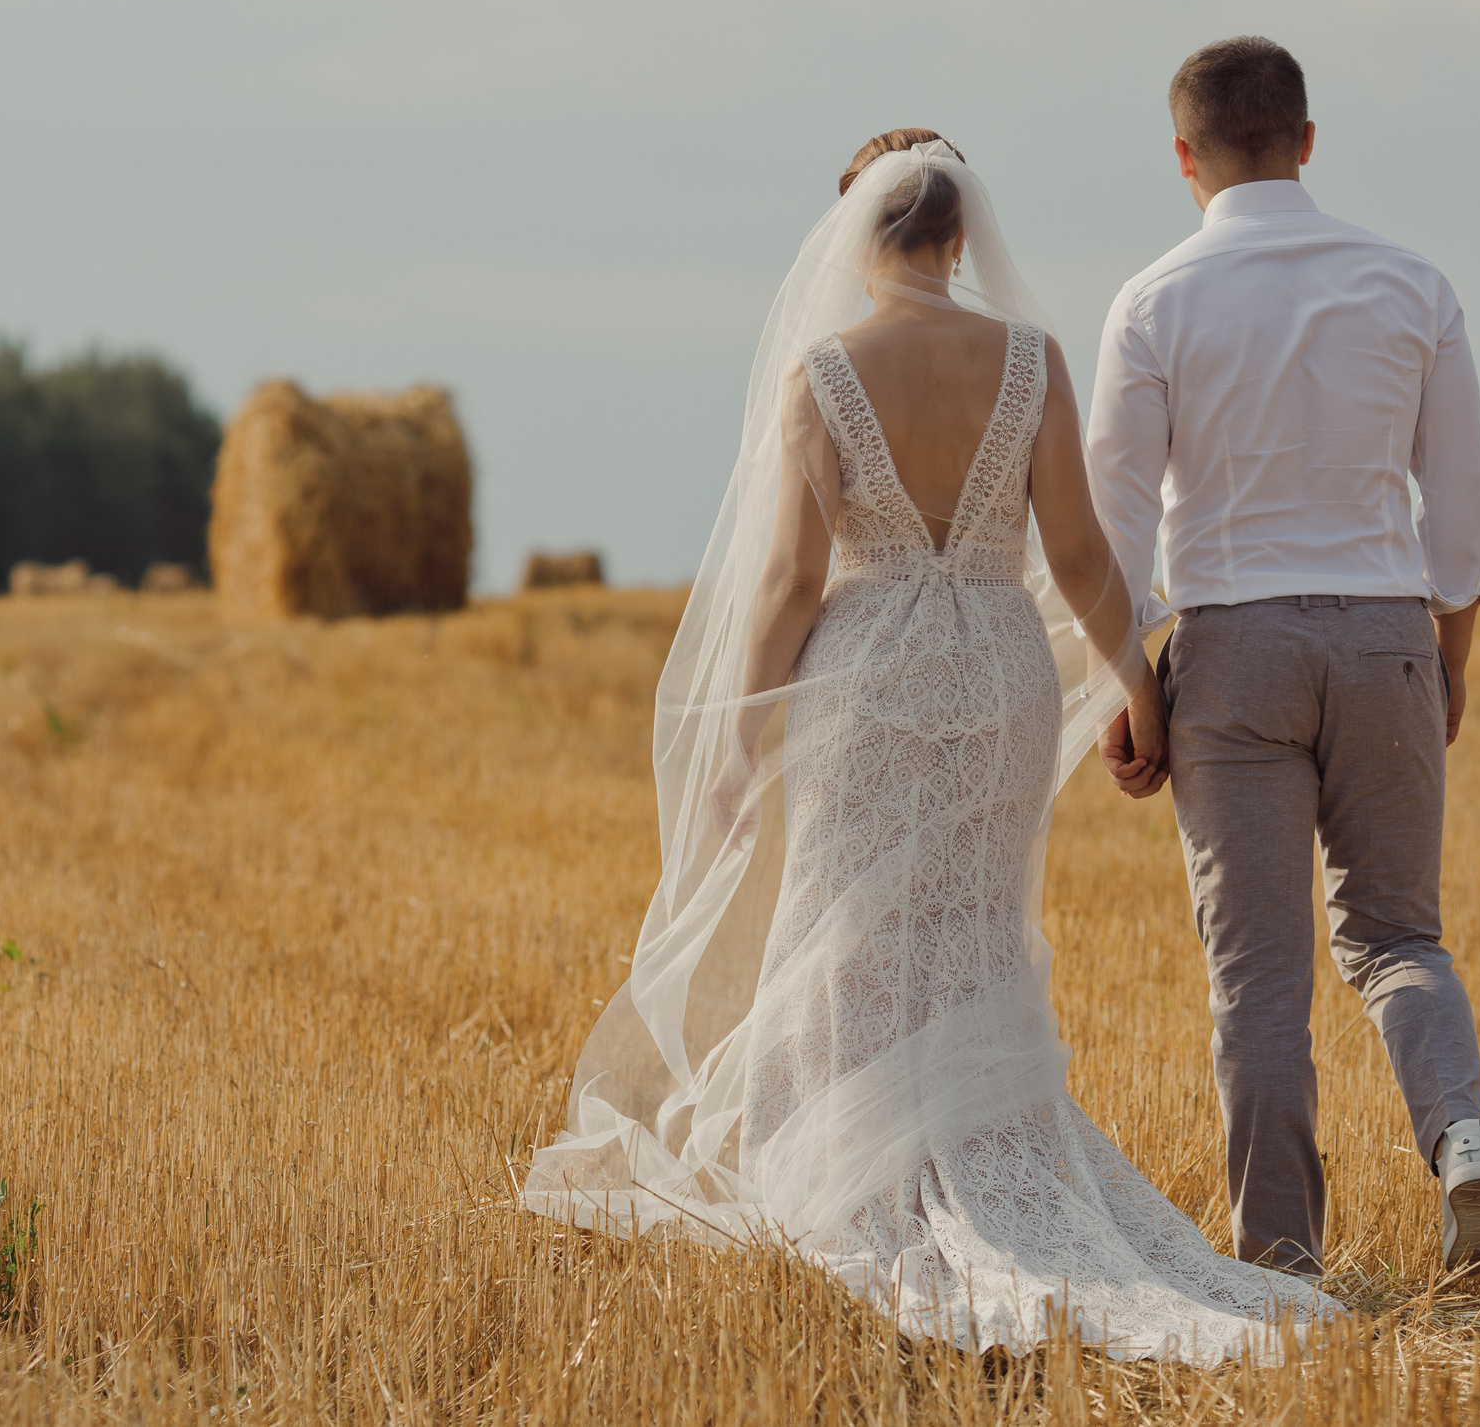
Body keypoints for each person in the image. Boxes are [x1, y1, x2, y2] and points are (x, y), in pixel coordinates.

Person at [523, 130, 1341, 1360]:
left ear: (856, 243)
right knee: (969, 928)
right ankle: (987, 1157)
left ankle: (863, 1174)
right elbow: (1076, 556)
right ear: (962, 236)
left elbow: (794, 583)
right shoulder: (1031, 361)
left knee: (849, 928)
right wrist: (1140, 690)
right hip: (1001, 672)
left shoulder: (822, 373)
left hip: (868, 675)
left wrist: (742, 736)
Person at [1086, 37, 1480, 1278]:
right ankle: (1463, 1148)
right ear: (1308, 139)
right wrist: (1449, 659)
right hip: (1385, 633)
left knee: (1259, 982)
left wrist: (1132, 690)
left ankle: (1281, 1262)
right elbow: (1462, 513)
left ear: (1183, 159)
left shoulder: (1152, 300)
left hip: (1230, 649)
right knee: (1397, 939)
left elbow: (1115, 530)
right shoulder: (1412, 284)